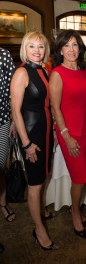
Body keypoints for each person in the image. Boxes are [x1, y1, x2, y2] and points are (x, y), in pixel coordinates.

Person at [10, 31, 58, 250]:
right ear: (25, 49)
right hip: (30, 134)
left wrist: (54, 132)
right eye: (32, 46)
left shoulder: (44, 71)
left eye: (40, 47)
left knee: (43, 175)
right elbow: (16, 111)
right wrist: (27, 143)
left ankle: (41, 210)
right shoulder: (21, 72)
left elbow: (47, 105)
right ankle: (39, 230)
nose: (37, 51)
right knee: (35, 184)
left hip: (45, 130)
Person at [49, 29, 86, 239]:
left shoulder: (85, 72)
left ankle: (77, 208)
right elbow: (55, 108)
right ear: (60, 49)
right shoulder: (57, 73)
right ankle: (75, 212)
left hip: (85, 129)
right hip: (69, 131)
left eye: (75, 45)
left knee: (85, 176)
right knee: (79, 176)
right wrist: (65, 136)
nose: (71, 49)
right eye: (66, 45)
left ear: (80, 48)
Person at [0, 47, 16, 222]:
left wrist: (13, 121)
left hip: (2, 120)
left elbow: (13, 92)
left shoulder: (3, 55)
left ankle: (3, 202)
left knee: (1, 166)